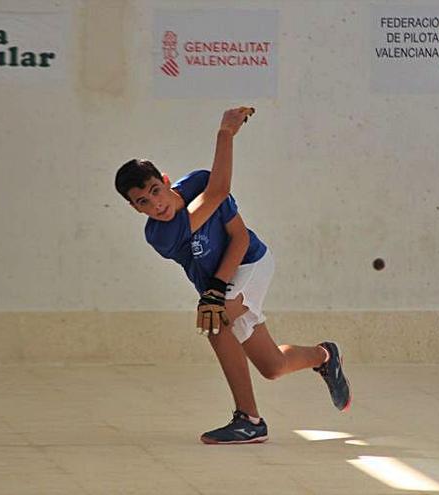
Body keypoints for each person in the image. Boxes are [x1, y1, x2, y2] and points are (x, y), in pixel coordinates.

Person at [114, 107, 351, 443]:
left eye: (155, 190)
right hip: (224, 284)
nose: (155, 204)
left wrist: (214, 289)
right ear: (136, 209)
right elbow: (219, 191)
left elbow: (239, 236)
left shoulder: (198, 181)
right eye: (143, 201)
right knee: (272, 366)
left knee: (214, 320)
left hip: (252, 262)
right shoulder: (159, 235)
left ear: (165, 181)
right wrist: (225, 134)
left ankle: (250, 420)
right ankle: (325, 355)